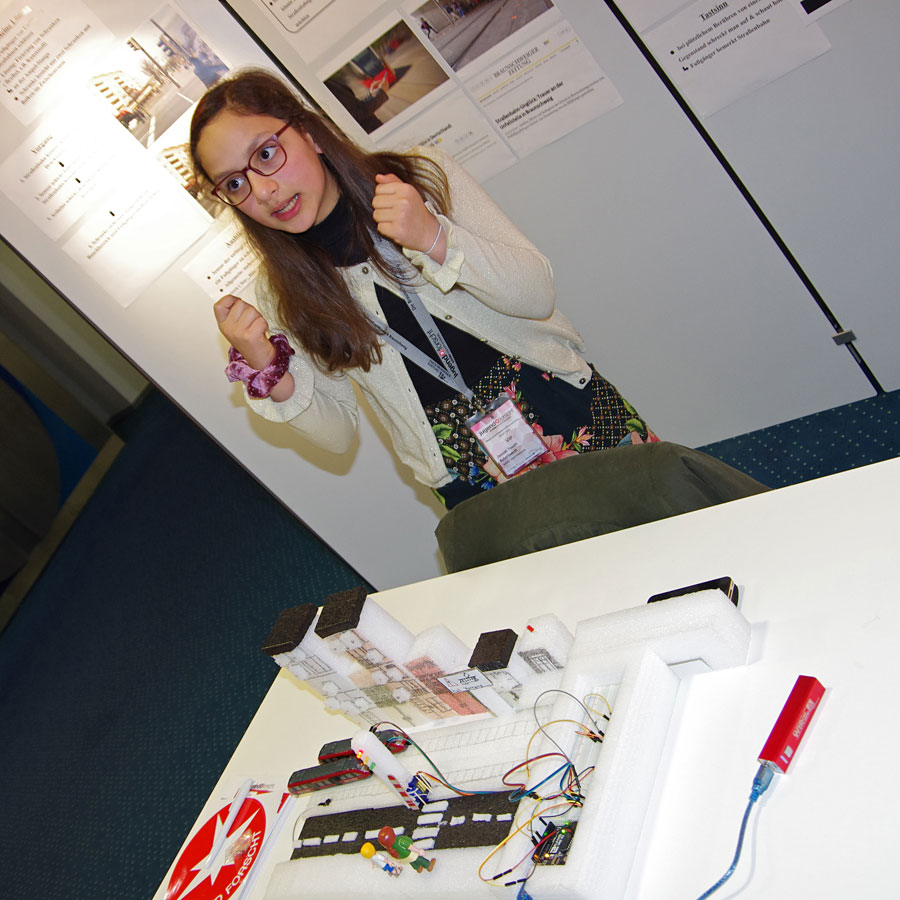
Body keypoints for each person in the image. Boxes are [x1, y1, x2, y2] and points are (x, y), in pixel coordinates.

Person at [189, 69, 766, 568]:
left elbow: (536, 292)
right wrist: (270, 369)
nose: (264, 190)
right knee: (574, 604)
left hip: (563, 407)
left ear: (309, 132)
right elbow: (337, 435)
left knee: (685, 546)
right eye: (235, 183)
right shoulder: (282, 290)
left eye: (266, 153)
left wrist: (433, 238)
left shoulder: (421, 177)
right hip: (465, 471)